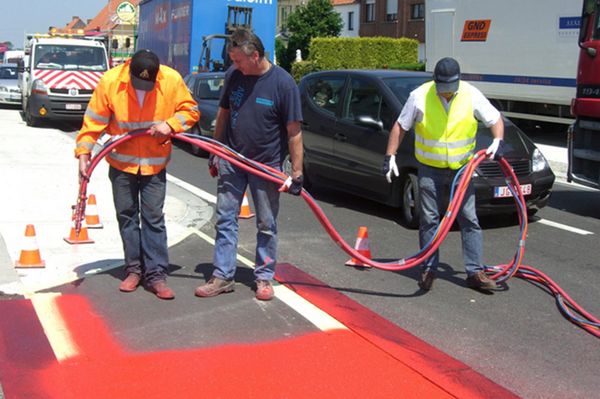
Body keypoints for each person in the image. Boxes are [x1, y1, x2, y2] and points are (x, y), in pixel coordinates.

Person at [75, 49, 200, 300]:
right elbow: (93, 121)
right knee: (127, 216)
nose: (143, 87)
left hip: (154, 165)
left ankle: (156, 275)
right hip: (122, 164)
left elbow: (191, 111)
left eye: (148, 83)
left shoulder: (171, 80)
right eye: (138, 82)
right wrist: (83, 153)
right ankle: (134, 269)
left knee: (153, 218)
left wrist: (170, 124)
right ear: (129, 69)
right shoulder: (111, 82)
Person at [194, 28, 303, 301]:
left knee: (266, 223)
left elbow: (294, 132)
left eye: (239, 61)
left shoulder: (283, 84)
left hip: (265, 165)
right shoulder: (234, 76)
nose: (235, 66)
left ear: (255, 56)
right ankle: (222, 275)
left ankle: (264, 278)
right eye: (233, 61)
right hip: (232, 158)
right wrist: (216, 150)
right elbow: (223, 113)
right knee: (225, 218)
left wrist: (297, 172)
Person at [383, 57, 504, 292]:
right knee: (429, 219)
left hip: (462, 169)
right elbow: (400, 126)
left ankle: (475, 272)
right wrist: (390, 156)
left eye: (451, 88)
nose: (446, 93)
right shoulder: (420, 96)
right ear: (435, 81)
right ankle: (428, 268)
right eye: (443, 88)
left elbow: (495, 119)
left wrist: (498, 140)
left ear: (458, 82)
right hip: (430, 169)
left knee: (469, 219)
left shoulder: (471, 94)